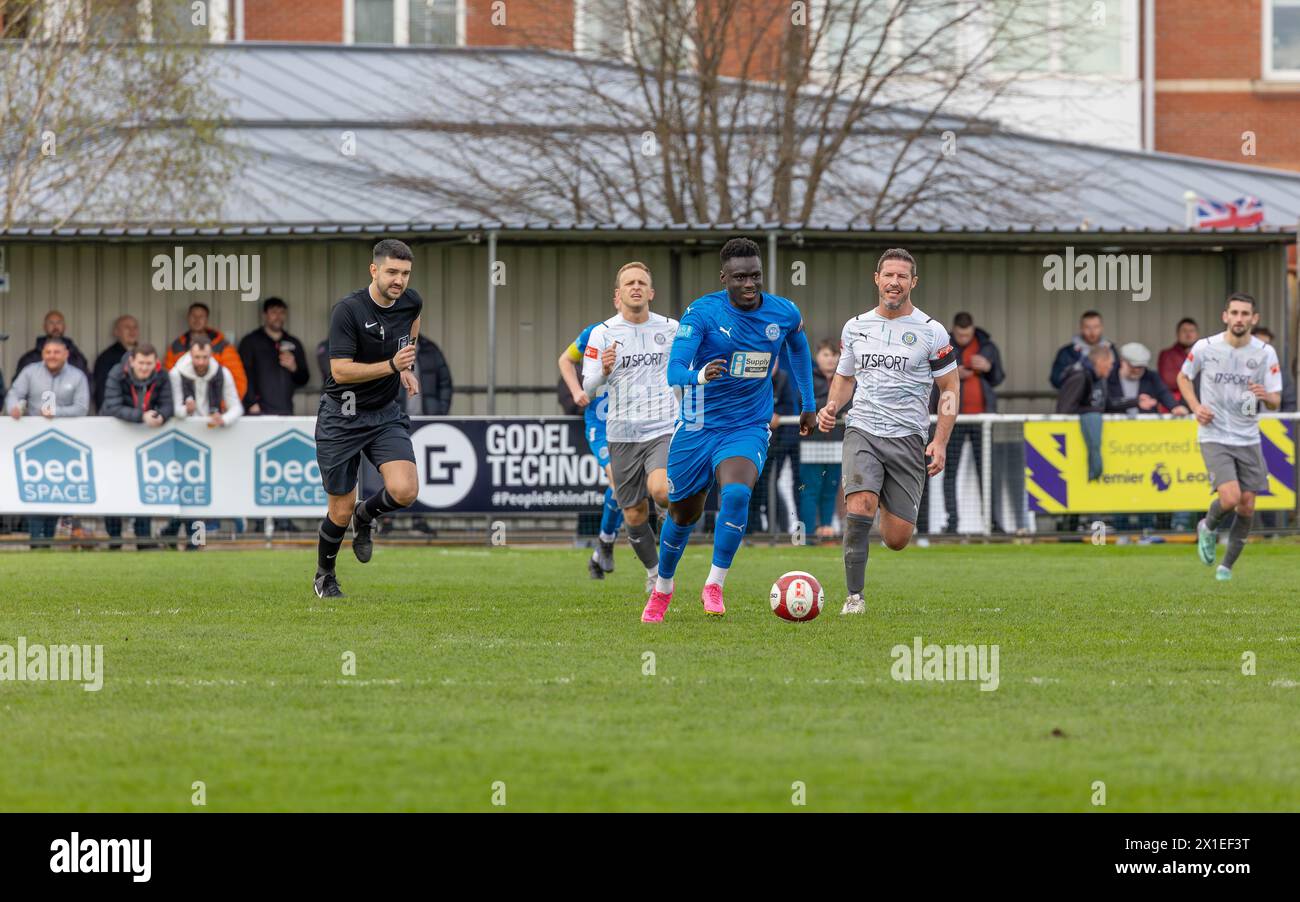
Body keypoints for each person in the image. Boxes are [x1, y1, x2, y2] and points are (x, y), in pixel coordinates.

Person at [643, 237, 816, 622]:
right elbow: (673, 371)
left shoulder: (783, 313)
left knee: (736, 495)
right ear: (725, 278)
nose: (750, 284)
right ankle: (663, 588)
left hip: (747, 425)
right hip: (698, 426)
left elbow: (799, 349)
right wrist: (698, 375)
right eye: (740, 277)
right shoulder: (702, 314)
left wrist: (808, 404)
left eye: (755, 276)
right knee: (684, 514)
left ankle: (715, 584)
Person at [818, 248, 959, 615]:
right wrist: (833, 406)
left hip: (909, 437)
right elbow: (845, 378)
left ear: (913, 282)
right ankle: (854, 598)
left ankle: (880, 492)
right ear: (876, 279)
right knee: (858, 507)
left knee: (897, 538)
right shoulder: (856, 327)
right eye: (888, 275)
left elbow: (949, 389)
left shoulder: (932, 332)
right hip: (862, 428)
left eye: (902, 277)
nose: (894, 282)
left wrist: (940, 441)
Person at [312, 239, 423, 599]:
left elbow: (413, 325)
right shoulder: (347, 310)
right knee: (339, 511)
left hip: (385, 413)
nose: (399, 280)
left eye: (405, 273)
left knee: (405, 490)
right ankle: (324, 574)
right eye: (392, 272)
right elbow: (340, 372)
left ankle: (367, 515)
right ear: (374, 270)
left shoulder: (411, 301)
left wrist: (407, 365)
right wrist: (391, 365)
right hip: (342, 417)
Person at [581, 262, 679, 595]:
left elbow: (685, 375)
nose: (635, 287)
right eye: (629, 283)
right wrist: (604, 371)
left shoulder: (671, 329)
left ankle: (668, 515)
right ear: (617, 295)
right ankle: (654, 574)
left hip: (662, 428)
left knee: (662, 490)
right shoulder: (602, 333)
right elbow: (588, 387)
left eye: (641, 283)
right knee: (634, 513)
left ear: (651, 292)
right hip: (621, 434)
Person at [1178, 293, 1283, 581]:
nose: (1239, 319)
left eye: (1245, 314)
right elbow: (1183, 377)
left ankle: (1226, 567)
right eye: (1234, 313)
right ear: (1225, 316)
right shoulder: (1205, 347)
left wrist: (1267, 397)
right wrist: (1196, 407)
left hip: (1248, 437)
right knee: (1231, 496)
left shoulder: (1265, 353)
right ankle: (1208, 527)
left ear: (1254, 318)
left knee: (1247, 503)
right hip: (1214, 434)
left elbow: (1276, 397)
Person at [558, 296, 624, 579]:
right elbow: (565, 359)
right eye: (626, 288)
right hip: (601, 425)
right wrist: (575, 391)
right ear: (616, 298)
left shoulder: (654, 334)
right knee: (619, 482)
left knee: (634, 493)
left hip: (636, 425)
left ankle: (601, 548)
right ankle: (607, 545)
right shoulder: (595, 334)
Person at [5, 336, 92, 547]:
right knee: (35, 491)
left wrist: (57, 412)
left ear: (66, 354)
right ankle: (35, 541)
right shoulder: (30, 371)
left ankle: (50, 540)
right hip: (34, 444)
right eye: (48, 352)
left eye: (56, 352)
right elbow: (14, 393)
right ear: (43, 354)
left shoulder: (77, 376)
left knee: (55, 492)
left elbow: (82, 407)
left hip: (64, 445)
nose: (51, 356)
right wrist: (13, 409)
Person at [101, 343, 172, 550]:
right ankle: (114, 540)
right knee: (114, 488)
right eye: (141, 363)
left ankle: (144, 539)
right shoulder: (116, 373)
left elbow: (169, 404)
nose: (144, 368)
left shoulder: (162, 375)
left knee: (144, 487)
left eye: (149, 363)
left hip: (146, 441)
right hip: (116, 440)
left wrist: (162, 416)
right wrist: (141, 417)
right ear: (132, 361)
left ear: (155, 363)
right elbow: (112, 406)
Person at [938, 312, 1004, 534]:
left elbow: (998, 378)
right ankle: (952, 522)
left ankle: (993, 522)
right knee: (950, 472)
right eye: (959, 334)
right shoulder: (943, 345)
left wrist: (988, 367)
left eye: (967, 334)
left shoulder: (987, 347)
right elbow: (931, 376)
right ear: (953, 330)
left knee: (988, 471)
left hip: (982, 420)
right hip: (953, 418)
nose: (964, 338)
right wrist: (955, 374)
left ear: (973, 330)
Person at [799, 340, 846, 541]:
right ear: (818, 356)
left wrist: (831, 407)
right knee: (810, 490)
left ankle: (826, 529)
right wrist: (829, 406)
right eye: (826, 355)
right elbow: (802, 402)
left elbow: (850, 402)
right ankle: (808, 534)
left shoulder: (845, 380)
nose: (830, 359)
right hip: (812, 444)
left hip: (837, 443)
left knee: (831, 488)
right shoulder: (808, 378)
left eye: (834, 355)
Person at [164, 302, 249, 401]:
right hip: (186, 409)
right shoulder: (176, 347)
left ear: (207, 319)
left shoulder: (222, 346)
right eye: (193, 316)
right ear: (188, 318)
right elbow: (168, 382)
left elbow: (238, 381)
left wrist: (220, 407)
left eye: (201, 316)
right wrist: (181, 406)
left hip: (216, 411)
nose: (197, 319)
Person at [239, 297, 309, 415]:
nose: (278, 316)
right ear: (264, 315)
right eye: (274, 312)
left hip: (285, 409)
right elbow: (242, 374)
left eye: (282, 312)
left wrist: (294, 368)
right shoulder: (250, 341)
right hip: (257, 410)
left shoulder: (293, 343)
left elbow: (304, 379)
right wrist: (251, 403)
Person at [169, 335, 244, 426]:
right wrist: (187, 410)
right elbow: (173, 408)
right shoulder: (176, 373)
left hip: (213, 429)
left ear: (211, 355)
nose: (201, 362)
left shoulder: (223, 373)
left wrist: (223, 419)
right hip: (186, 428)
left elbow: (236, 407)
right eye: (197, 357)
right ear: (190, 355)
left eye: (205, 357)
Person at [1107, 342, 1188, 416]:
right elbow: (1108, 402)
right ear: (1122, 361)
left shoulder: (1151, 377)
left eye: (1141, 367)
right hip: (1116, 425)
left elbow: (1163, 393)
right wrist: (1134, 402)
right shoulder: (1109, 377)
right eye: (1133, 366)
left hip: (1144, 426)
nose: (1137, 370)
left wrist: (1175, 407)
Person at [14, 310, 90, 381]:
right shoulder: (30, 359)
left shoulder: (76, 358)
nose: (55, 327)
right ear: (44, 326)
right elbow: (18, 388)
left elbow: (87, 384)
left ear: (64, 326)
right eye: (51, 323)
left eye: (59, 322)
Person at [1049, 310, 1114, 389]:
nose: (1092, 332)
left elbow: (1117, 379)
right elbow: (1056, 379)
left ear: (1101, 327)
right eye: (1087, 327)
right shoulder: (1067, 352)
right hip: (1077, 399)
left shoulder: (1111, 350)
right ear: (1081, 328)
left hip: (1104, 399)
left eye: (1096, 327)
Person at [92, 315, 139, 412]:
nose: (132, 331)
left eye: (135, 327)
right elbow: (101, 391)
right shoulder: (106, 358)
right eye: (127, 327)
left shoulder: (146, 356)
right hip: (116, 415)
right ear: (116, 332)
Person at [402, 335, 454, 415]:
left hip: (427, 419)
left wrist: (440, 412)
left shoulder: (430, 349)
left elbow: (445, 383)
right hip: (397, 420)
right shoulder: (389, 349)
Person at [1251, 326, 1296, 412]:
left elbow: (1290, 403)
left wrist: (1284, 424)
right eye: (1259, 344)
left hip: (1274, 424)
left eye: (1267, 344)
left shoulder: (1279, 373)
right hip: (1248, 424)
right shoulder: (1241, 370)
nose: (1264, 349)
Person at [1158, 318, 1198, 405]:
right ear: (1177, 334)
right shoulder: (1167, 355)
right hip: (1175, 404)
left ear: (1197, 334)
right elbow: (1169, 381)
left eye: (1191, 331)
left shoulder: (1202, 355)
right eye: (1184, 331)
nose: (1188, 334)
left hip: (1199, 403)